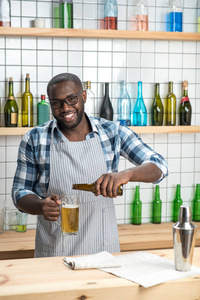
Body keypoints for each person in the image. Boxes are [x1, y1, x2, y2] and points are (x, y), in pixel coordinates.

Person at [12, 73, 169, 258]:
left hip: (104, 251)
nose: (65, 108)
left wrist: (125, 175)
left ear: (84, 96)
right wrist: (40, 206)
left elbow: (160, 166)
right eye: (57, 103)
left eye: (72, 99)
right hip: (54, 252)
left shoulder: (113, 132)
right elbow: (19, 192)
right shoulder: (35, 138)